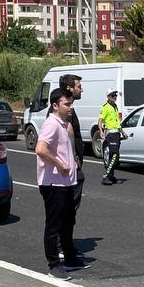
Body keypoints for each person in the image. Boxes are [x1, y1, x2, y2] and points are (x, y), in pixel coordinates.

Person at [36, 87, 80, 279]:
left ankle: (70, 258)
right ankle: (54, 264)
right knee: (54, 224)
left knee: (68, 221)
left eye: (71, 104)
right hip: (53, 183)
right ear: (55, 106)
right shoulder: (52, 124)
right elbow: (40, 149)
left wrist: (74, 159)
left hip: (66, 182)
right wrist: (60, 165)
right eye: (67, 104)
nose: (70, 107)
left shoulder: (63, 124)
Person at [58, 73, 86, 211]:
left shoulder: (69, 109)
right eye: (79, 86)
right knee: (66, 209)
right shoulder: (63, 110)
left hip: (72, 163)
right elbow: (65, 134)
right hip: (68, 164)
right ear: (69, 88)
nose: (81, 89)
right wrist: (73, 157)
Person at [99, 88, 123, 185]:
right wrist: (101, 131)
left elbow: (117, 121)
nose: (115, 97)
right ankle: (106, 175)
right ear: (108, 97)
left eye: (115, 95)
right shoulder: (105, 107)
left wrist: (122, 132)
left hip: (116, 133)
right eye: (112, 95)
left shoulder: (115, 106)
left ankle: (111, 175)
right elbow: (100, 121)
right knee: (114, 155)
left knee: (114, 156)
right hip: (110, 134)